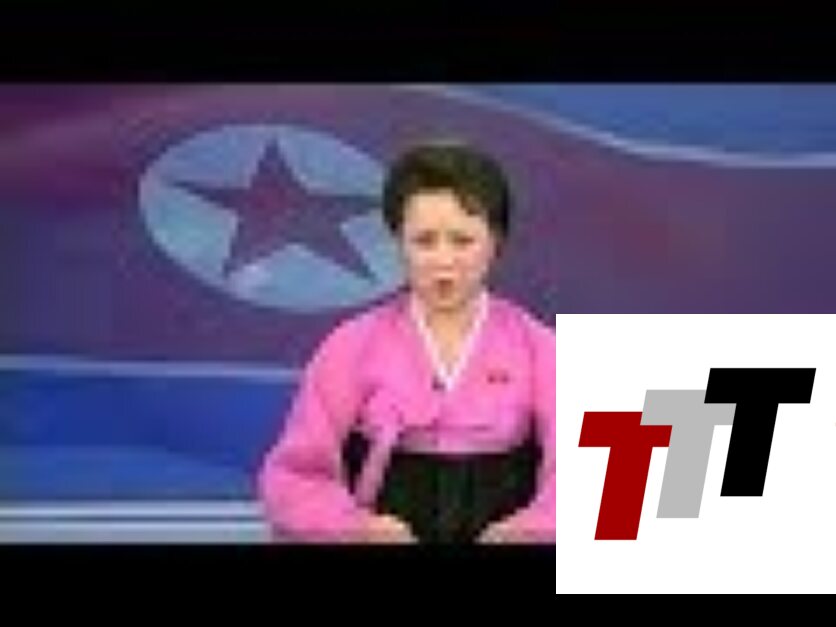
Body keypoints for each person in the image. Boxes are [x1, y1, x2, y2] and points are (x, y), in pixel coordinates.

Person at [257, 139, 555, 543]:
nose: (443, 260)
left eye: (462, 240)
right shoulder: (351, 346)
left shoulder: (541, 348)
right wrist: (356, 529)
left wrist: (530, 530)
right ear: (398, 241)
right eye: (424, 241)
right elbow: (293, 479)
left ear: (495, 242)